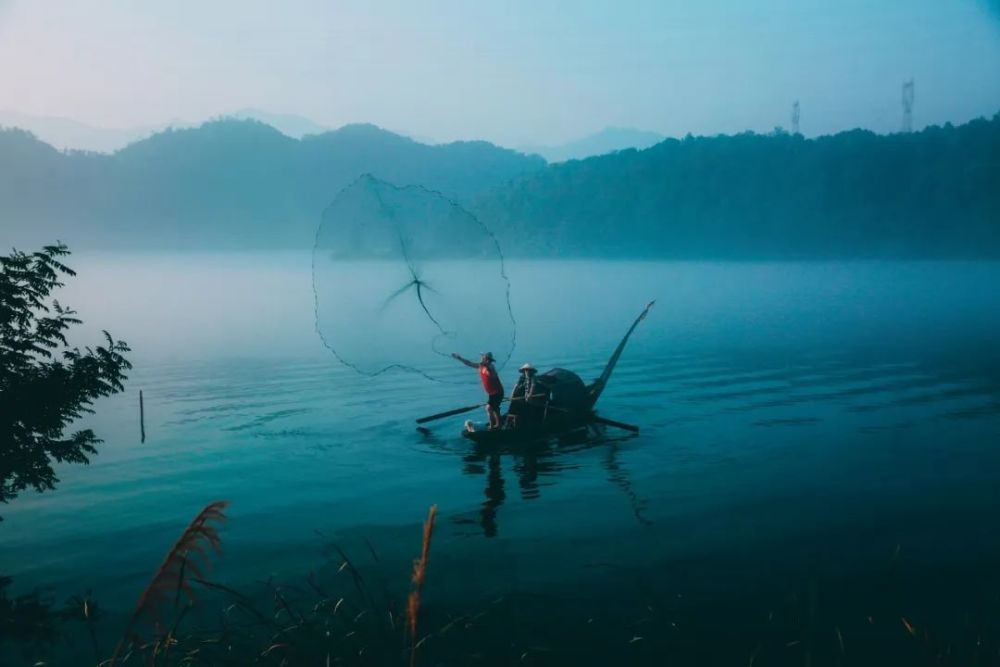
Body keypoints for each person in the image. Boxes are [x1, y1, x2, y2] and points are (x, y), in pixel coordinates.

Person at [452, 351, 505, 430]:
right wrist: (460, 358)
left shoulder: (491, 367)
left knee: (490, 408)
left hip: (498, 392)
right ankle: (495, 424)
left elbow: (493, 375)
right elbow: (469, 363)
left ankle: (495, 426)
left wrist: (487, 367)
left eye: (485, 358)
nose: (482, 359)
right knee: (493, 409)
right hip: (492, 393)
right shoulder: (480, 366)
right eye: (484, 358)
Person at [506, 363, 540, 428]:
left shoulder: (533, 377)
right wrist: (512, 396)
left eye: (528, 370)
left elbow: (533, 386)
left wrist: (529, 395)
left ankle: (525, 423)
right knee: (513, 405)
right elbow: (516, 386)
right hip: (521, 395)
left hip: (529, 396)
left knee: (527, 408)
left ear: (531, 371)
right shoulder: (522, 377)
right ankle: (510, 422)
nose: (526, 371)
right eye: (525, 370)